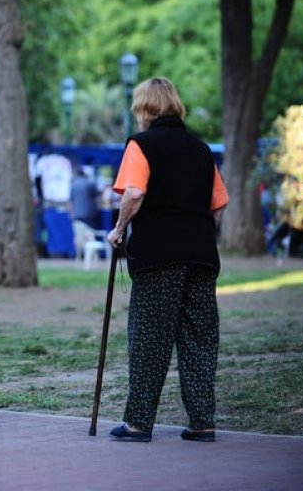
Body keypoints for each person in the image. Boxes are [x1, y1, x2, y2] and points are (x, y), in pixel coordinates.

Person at [105, 77, 228, 443]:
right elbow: (219, 203)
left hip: (159, 256)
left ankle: (139, 423)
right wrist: (199, 230)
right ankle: (202, 421)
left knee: (149, 339)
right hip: (201, 255)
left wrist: (119, 228)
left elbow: (135, 192)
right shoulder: (201, 149)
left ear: (145, 109)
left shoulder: (141, 145)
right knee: (199, 339)